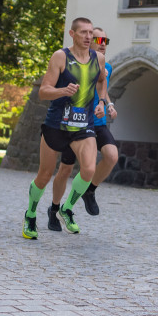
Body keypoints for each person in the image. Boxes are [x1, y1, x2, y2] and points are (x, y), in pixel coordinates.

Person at [21, 17, 111, 239]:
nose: (89, 37)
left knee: (89, 170)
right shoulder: (61, 57)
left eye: (91, 33)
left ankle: (67, 208)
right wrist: (63, 91)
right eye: (83, 33)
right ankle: (30, 213)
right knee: (44, 174)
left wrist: (101, 102)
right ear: (72, 34)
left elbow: (101, 81)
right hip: (57, 124)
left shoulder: (98, 58)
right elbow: (43, 91)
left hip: (83, 125)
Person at [48, 26, 118, 228]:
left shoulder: (108, 67)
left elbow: (102, 89)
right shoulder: (76, 63)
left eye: (106, 40)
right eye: (99, 40)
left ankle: (90, 189)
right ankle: (54, 209)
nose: (102, 45)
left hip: (97, 122)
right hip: (76, 122)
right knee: (65, 169)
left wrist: (108, 104)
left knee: (112, 156)